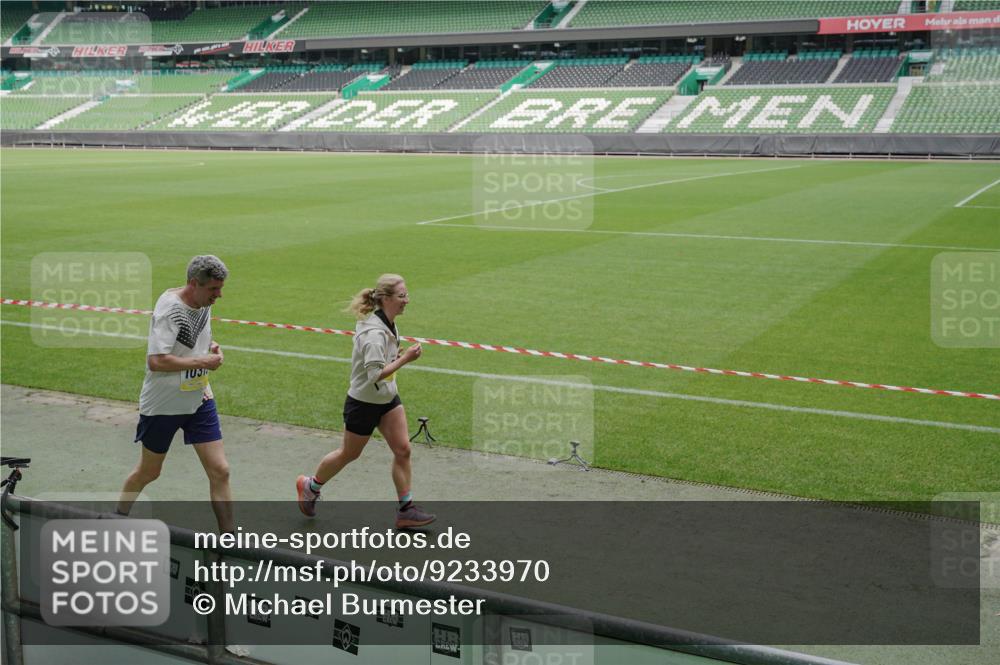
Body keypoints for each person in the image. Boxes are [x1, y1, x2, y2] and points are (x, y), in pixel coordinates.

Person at [297, 274, 434, 529]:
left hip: (387, 398)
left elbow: (383, 366)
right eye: (402, 296)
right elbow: (374, 375)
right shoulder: (374, 334)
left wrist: (396, 356)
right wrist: (405, 360)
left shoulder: (389, 324)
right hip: (363, 403)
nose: (407, 300)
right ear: (385, 299)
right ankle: (310, 486)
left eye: (407, 294)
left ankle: (406, 510)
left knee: (403, 449)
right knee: (349, 454)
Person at [117, 255, 233, 533]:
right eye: (214, 289)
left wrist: (211, 347)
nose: (219, 295)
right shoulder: (170, 309)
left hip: (199, 398)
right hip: (164, 404)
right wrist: (204, 361)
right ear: (194, 283)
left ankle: (229, 540)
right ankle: (117, 517)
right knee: (149, 472)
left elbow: (193, 340)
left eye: (220, 288)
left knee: (221, 470)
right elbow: (157, 361)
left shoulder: (202, 303)